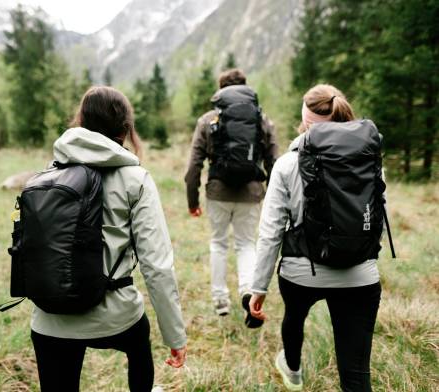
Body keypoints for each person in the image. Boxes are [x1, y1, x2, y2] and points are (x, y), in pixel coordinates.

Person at [30, 86, 187, 392]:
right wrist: (175, 337)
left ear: (81, 120)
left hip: (49, 318)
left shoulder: (48, 174)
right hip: (114, 315)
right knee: (139, 343)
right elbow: (157, 266)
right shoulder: (135, 179)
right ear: (125, 128)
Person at [249, 84, 383, 391]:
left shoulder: (286, 164)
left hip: (301, 273)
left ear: (305, 123)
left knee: (294, 318)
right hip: (360, 277)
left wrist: (258, 287)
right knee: (356, 373)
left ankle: (293, 369)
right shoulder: (369, 159)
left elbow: (270, 232)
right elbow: (376, 220)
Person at [184, 68, 277, 321]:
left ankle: (220, 300)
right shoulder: (262, 120)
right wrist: (274, 200)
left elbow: (193, 166)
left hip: (218, 192)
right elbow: (274, 163)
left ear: (221, 89)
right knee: (246, 244)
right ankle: (248, 290)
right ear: (245, 87)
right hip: (251, 192)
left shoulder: (207, 120)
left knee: (218, 243)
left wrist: (192, 201)